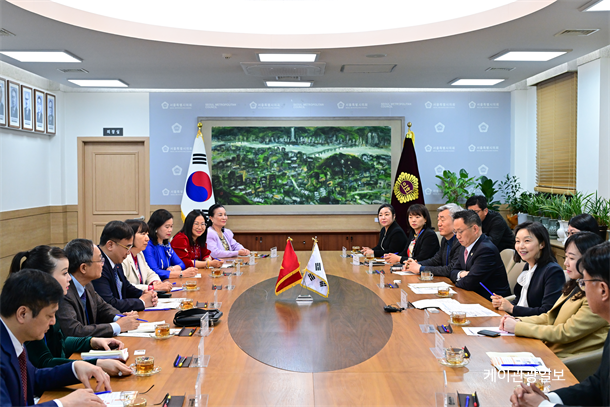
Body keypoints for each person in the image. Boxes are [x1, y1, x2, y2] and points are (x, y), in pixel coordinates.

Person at [510, 241, 610, 407]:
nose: (582, 289)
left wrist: (542, 405)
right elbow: (597, 384)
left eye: (584, 283)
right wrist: (548, 399)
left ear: (603, 290)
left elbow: (565, 331)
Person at [10, 246, 131, 377]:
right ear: (44, 277)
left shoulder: (47, 303)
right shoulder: (30, 312)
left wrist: (92, 341)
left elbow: (61, 342)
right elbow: (43, 363)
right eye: (64, 273)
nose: (70, 278)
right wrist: (95, 364)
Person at [1, 269, 112, 407]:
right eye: (49, 315)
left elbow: (32, 378)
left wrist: (74, 368)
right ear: (23, 314)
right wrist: (63, 403)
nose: (53, 322)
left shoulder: (12, 337)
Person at [500, 232, 608, 359]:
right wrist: (518, 321)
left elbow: (565, 332)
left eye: (572, 258)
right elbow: (550, 317)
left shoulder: (597, 297)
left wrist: (518, 327)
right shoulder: (575, 285)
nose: (566, 263)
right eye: (566, 257)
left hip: (564, 358)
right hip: (548, 348)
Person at [57, 239, 140, 338]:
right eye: (100, 260)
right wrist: (117, 326)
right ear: (83, 268)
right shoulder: (64, 292)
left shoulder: (87, 284)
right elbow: (74, 331)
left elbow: (102, 307)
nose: (103, 264)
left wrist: (121, 318)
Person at [491, 222, 565, 317]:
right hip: (516, 319)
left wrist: (511, 308)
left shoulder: (553, 271)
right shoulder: (529, 265)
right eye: (517, 241)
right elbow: (520, 300)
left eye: (527, 241)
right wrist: (503, 303)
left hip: (532, 324)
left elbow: (547, 312)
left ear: (542, 244)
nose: (521, 246)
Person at [92, 221, 158, 313]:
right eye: (127, 247)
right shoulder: (97, 265)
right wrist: (142, 302)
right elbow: (109, 303)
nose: (128, 252)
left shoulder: (115, 259)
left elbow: (126, 286)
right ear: (110, 245)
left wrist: (144, 294)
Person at [450, 210, 511, 300]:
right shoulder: (465, 245)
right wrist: (462, 274)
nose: (457, 236)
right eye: (455, 232)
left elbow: (469, 283)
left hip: (491, 301)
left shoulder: (486, 250)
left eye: (460, 231)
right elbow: (452, 271)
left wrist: (459, 278)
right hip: (472, 296)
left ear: (475, 229)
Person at [403, 203, 462, 276]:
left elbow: (451, 269)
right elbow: (436, 260)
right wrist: (416, 264)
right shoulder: (445, 239)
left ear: (456, 221)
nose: (439, 224)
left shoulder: (461, 241)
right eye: (438, 220)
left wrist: (420, 268)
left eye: (442, 220)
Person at [143, 209, 198, 279]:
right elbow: (154, 271)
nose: (170, 230)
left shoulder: (166, 244)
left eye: (171, 226)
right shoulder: (148, 245)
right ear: (156, 227)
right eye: (167, 227)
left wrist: (173, 268)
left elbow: (181, 264)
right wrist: (182, 274)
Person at [122, 219, 172, 292]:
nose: (147, 239)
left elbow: (149, 273)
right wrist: (152, 288)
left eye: (147, 234)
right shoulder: (123, 257)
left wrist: (156, 282)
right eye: (143, 234)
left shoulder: (139, 253)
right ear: (130, 236)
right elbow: (126, 286)